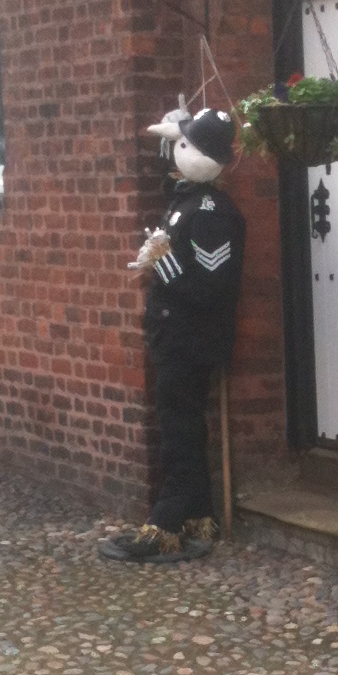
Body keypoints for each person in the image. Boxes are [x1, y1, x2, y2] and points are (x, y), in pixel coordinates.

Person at [100, 106, 245, 564]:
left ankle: (167, 523)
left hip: (191, 340)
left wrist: (163, 263)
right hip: (175, 337)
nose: (176, 152)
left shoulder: (213, 213)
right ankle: (197, 514)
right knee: (180, 423)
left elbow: (209, 287)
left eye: (186, 145)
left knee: (179, 431)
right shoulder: (188, 203)